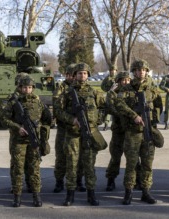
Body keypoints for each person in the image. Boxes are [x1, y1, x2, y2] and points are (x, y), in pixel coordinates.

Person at [54, 63, 107, 206]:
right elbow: (58, 111)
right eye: (79, 73)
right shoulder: (67, 93)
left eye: (84, 73)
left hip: (90, 133)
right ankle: (70, 195)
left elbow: (103, 108)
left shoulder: (94, 92)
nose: (82, 76)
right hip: (73, 134)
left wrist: (97, 121)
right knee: (71, 165)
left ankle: (91, 194)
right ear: (74, 75)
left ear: (88, 75)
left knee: (89, 165)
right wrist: (72, 120)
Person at [114, 59, 163, 205]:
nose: (141, 72)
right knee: (131, 163)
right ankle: (128, 193)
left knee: (147, 163)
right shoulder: (126, 89)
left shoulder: (152, 88)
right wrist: (133, 115)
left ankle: (145, 192)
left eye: (143, 70)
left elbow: (159, 105)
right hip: (132, 132)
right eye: (138, 70)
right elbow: (119, 104)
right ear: (134, 72)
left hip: (147, 130)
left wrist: (152, 120)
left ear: (146, 72)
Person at [1, 76, 51, 207]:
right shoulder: (13, 102)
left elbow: (47, 119)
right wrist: (18, 128)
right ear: (19, 87)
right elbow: (4, 119)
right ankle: (17, 196)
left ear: (33, 88)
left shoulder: (38, 102)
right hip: (18, 141)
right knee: (18, 168)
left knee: (34, 168)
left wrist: (42, 133)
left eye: (29, 87)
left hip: (33, 141)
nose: (27, 90)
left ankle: (36, 195)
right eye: (24, 87)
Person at [53, 64, 86, 193]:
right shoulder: (62, 88)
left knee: (80, 156)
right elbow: (57, 108)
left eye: (73, 74)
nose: (71, 77)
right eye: (69, 74)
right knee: (61, 156)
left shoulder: (81, 88)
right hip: (64, 128)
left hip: (78, 129)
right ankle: (59, 181)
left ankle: (78, 180)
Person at [105, 71, 131, 191]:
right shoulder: (114, 93)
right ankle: (111, 179)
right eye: (123, 80)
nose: (125, 82)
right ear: (118, 81)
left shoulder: (132, 92)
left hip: (131, 130)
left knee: (133, 156)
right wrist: (110, 92)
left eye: (127, 80)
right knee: (115, 157)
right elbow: (109, 107)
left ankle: (137, 180)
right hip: (118, 130)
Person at [100, 65, 117, 130]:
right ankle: (106, 124)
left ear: (116, 71)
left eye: (114, 70)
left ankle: (115, 124)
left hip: (117, 96)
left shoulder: (118, 77)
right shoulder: (107, 78)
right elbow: (102, 86)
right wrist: (108, 89)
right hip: (109, 96)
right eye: (111, 70)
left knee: (116, 110)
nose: (113, 72)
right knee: (108, 110)